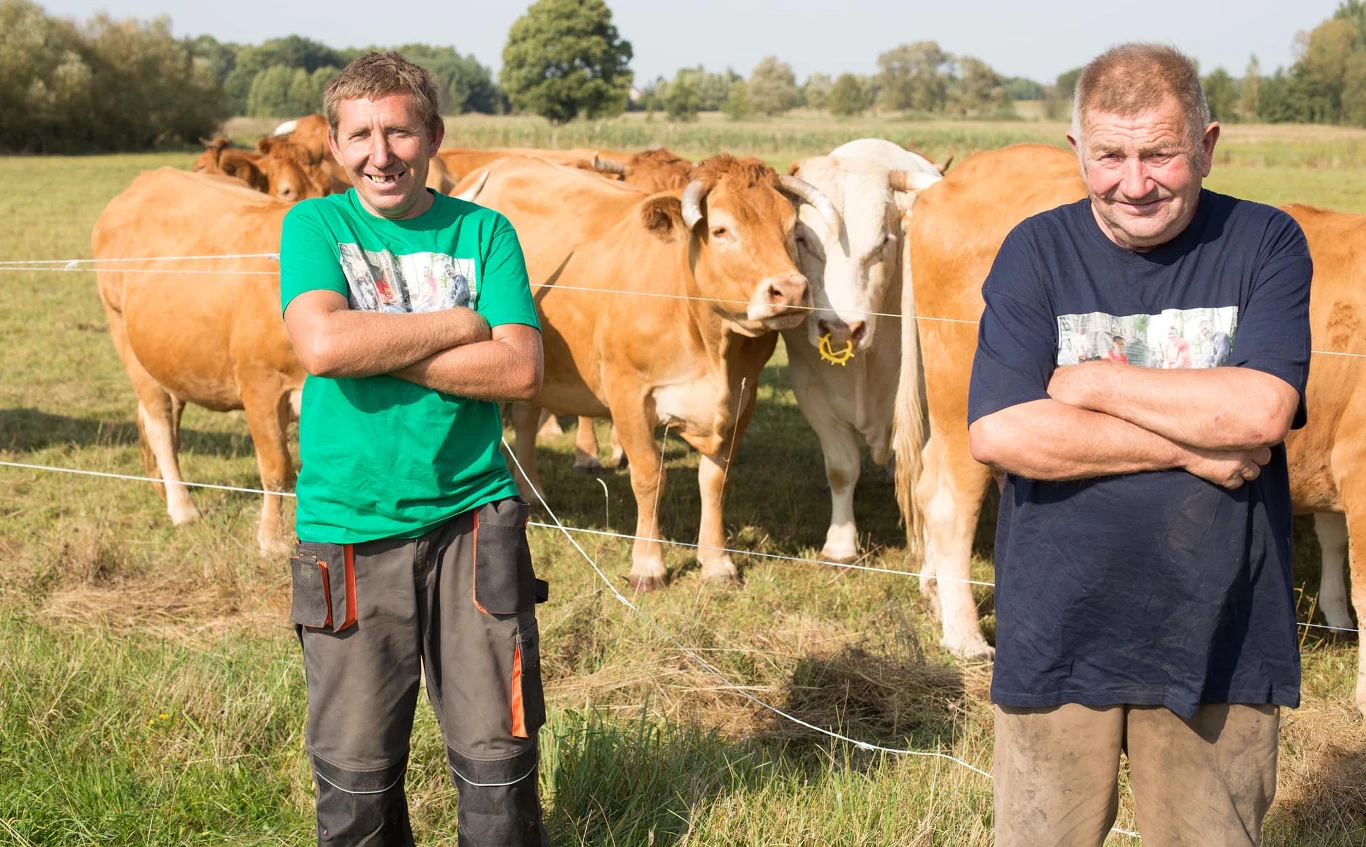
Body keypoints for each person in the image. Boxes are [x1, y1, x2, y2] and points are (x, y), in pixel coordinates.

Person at [966, 43, 1311, 847]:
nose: (1135, 182)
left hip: (1220, 632)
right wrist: (1191, 448)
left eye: (1160, 153)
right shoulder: (1036, 251)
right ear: (1076, 151)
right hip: (1056, 630)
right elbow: (1002, 430)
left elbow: (1259, 410)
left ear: (1207, 144)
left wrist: (1091, 382)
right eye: (1110, 156)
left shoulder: (1266, 243)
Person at [278, 52, 550, 846]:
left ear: (433, 135)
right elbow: (323, 344)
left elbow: (522, 367)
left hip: (474, 522)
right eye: (360, 134)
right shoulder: (315, 224)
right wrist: (462, 324)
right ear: (335, 145)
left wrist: (378, 342)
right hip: (351, 525)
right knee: (355, 768)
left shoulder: (484, 230)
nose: (380, 153)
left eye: (398, 130)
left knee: (498, 754)